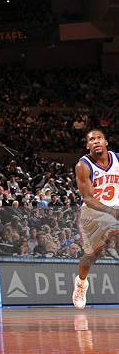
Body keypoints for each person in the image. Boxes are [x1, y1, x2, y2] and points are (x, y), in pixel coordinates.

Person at [72, 129, 119, 308]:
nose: (96, 141)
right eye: (92, 139)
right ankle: (81, 283)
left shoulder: (117, 160)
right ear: (87, 145)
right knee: (92, 255)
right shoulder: (83, 165)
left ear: (106, 142)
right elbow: (88, 198)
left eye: (99, 138)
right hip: (93, 214)